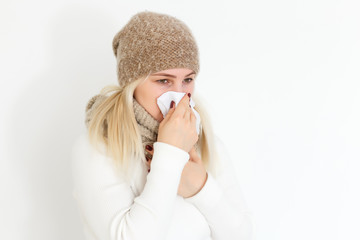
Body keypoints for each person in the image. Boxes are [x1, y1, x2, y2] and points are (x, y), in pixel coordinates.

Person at [71, 10, 253, 240]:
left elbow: (243, 234)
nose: (179, 95)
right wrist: (171, 153)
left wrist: (201, 187)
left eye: (187, 79)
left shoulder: (205, 142)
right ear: (132, 83)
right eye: (163, 81)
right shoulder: (99, 147)